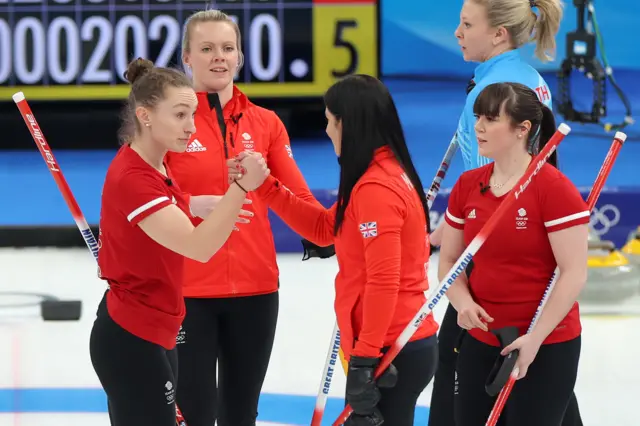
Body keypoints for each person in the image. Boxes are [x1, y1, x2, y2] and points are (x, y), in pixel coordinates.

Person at [240, 74, 439, 426]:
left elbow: (384, 279)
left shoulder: (378, 187)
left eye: (330, 121)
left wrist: (364, 359)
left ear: (348, 123)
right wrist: (266, 186)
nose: (327, 130)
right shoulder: (372, 174)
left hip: (391, 347)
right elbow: (323, 231)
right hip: (385, 343)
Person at [163, 9, 330, 426]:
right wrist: (189, 204)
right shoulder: (167, 124)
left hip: (255, 292)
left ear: (239, 56)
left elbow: (303, 204)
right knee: (195, 414)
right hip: (188, 292)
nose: (218, 57)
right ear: (186, 57)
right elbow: (135, 199)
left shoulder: (266, 123)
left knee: (241, 415)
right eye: (206, 49)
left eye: (227, 48)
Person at [427, 1, 585, 424]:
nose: (457, 32)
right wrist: (453, 222)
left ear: (499, 34)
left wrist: (466, 224)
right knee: (538, 378)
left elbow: (498, 178)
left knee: (457, 360)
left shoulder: (500, 86)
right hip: (504, 233)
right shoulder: (515, 77)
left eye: (466, 24)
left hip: (502, 247)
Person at [89, 58, 269, 426]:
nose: (191, 127)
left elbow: (166, 200)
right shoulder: (134, 177)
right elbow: (198, 247)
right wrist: (240, 188)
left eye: (192, 114)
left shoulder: (154, 162)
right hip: (133, 335)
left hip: (156, 328)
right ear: (146, 115)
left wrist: (194, 203)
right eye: (181, 115)